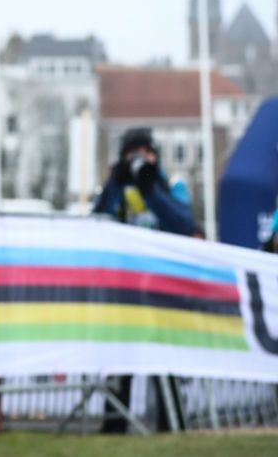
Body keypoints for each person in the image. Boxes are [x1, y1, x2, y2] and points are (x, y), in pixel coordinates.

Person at [93, 127, 197, 433]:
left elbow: (183, 223)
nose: (140, 159)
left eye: (146, 153)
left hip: (164, 290)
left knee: (166, 363)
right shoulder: (116, 186)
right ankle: (114, 426)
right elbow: (97, 222)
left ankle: (172, 424)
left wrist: (151, 188)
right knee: (119, 364)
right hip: (124, 291)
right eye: (133, 153)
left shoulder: (171, 186)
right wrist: (116, 182)